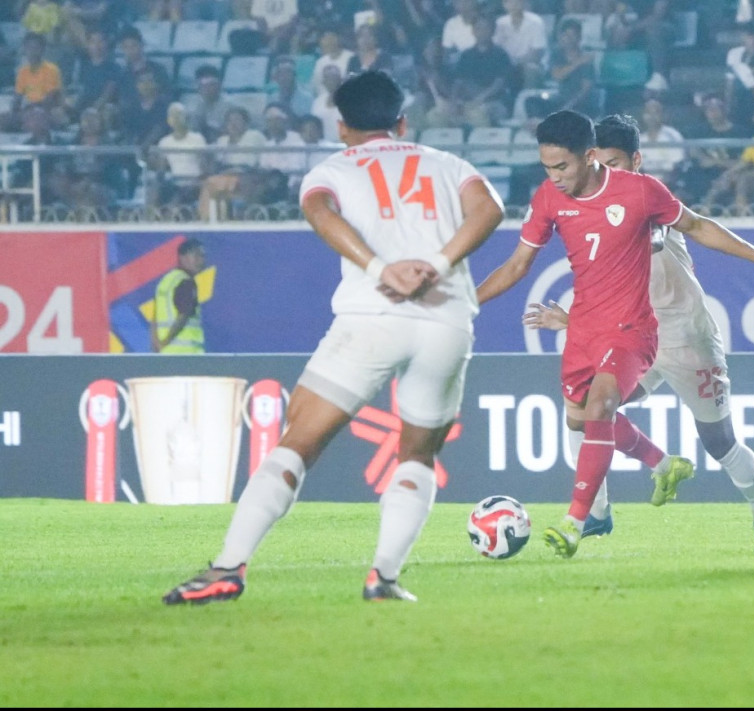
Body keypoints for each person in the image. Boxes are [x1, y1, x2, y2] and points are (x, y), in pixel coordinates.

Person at [162, 69, 505, 604]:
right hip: (446, 320)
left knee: (298, 440)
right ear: (402, 121)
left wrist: (380, 268)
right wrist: (436, 265)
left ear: (342, 126)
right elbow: (490, 210)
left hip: (371, 316)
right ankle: (384, 578)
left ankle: (228, 567)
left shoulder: (333, 168)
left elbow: (318, 212)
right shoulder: (447, 164)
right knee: (417, 454)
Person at [476, 109, 754, 558]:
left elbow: (694, 227)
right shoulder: (575, 199)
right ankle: (597, 512)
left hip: (686, 338)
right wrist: (573, 321)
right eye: (602, 164)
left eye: (617, 164)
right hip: (627, 337)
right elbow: (604, 277)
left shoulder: (648, 203)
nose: (608, 173)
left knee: (720, 442)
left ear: (636, 160)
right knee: (586, 413)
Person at [150, 238, 207, 354]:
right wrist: (165, 342)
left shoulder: (166, 281)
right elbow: (183, 316)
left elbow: (154, 318)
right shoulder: (186, 282)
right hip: (187, 354)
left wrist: (157, 344)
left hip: (167, 353)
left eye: (202, 256)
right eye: (196, 256)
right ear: (182, 257)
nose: (200, 261)